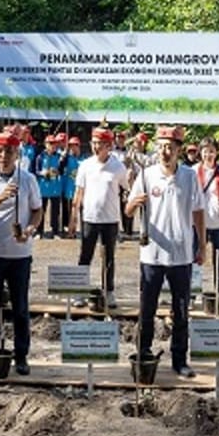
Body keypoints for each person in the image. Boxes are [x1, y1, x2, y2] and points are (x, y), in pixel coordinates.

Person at [125, 126, 206, 377]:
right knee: (146, 308)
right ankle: (144, 354)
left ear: (179, 150)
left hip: (181, 255)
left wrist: (202, 245)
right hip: (152, 254)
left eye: (170, 147)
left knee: (181, 310)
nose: (165, 151)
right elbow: (128, 211)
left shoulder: (190, 177)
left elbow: (198, 212)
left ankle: (180, 360)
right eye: (161, 146)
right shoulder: (147, 175)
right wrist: (132, 204)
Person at [0, 129, 42, 375]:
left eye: (10, 151)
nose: (4, 155)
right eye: (0, 150)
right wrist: (1, 197)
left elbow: (37, 210)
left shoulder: (28, 179)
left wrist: (30, 229)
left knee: (21, 307)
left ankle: (22, 355)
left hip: (20, 254)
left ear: (17, 154)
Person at [69, 126, 129, 309]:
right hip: (89, 218)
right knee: (85, 255)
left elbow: (126, 188)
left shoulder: (118, 167)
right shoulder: (85, 165)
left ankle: (109, 291)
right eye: (94, 143)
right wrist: (73, 219)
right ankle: (80, 292)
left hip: (110, 219)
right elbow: (78, 193)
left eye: (101, 144)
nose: (96, 147)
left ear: (108, 146)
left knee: (109, 257)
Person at [195, 137, 219, 308]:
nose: (208, 154)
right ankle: (191, 294)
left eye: (212, 151)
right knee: (194, 258)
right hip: (199, 222)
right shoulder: (194, 170)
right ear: (200, 153)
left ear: (216, 152)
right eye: (205, 151)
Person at [35, 134, 62, 238]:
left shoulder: (59, 156)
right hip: (43, 187)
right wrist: (42, 173)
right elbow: (36, 170)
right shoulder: (40, 156)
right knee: (42, 210)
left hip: (55, 187)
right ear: (45, 144)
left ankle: (55, 231)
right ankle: (39, 231)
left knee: (55, 211)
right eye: (50, 143)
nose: (52, 146)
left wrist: (57, 170)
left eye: (54, 143)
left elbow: (62, 169)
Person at [59, 135, 82, 234]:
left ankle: (77, 227)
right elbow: (60, 168)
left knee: (80, 208)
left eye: (75, 145)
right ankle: (66, 226)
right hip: (68, 186)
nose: (73, 147)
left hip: (80, 187)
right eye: (71, 145)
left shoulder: (83, 158)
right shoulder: (67, 157)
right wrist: (63, 157)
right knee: (67, 208)